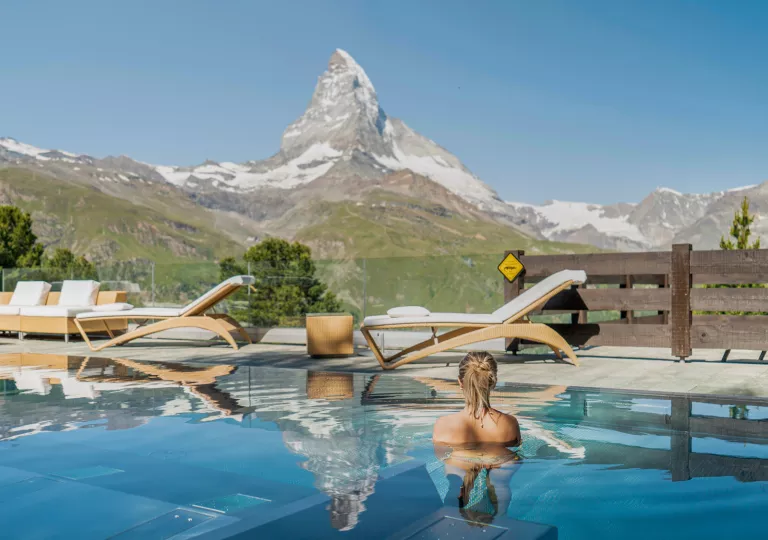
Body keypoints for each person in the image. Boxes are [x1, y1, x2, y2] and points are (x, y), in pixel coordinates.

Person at [432, 352, 521, 446]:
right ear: (494, 382)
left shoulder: (442, 425)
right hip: (499, 460)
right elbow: (516, 458)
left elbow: (441, 457)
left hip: (458, 460)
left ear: (460, 382)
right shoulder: (509, 423)